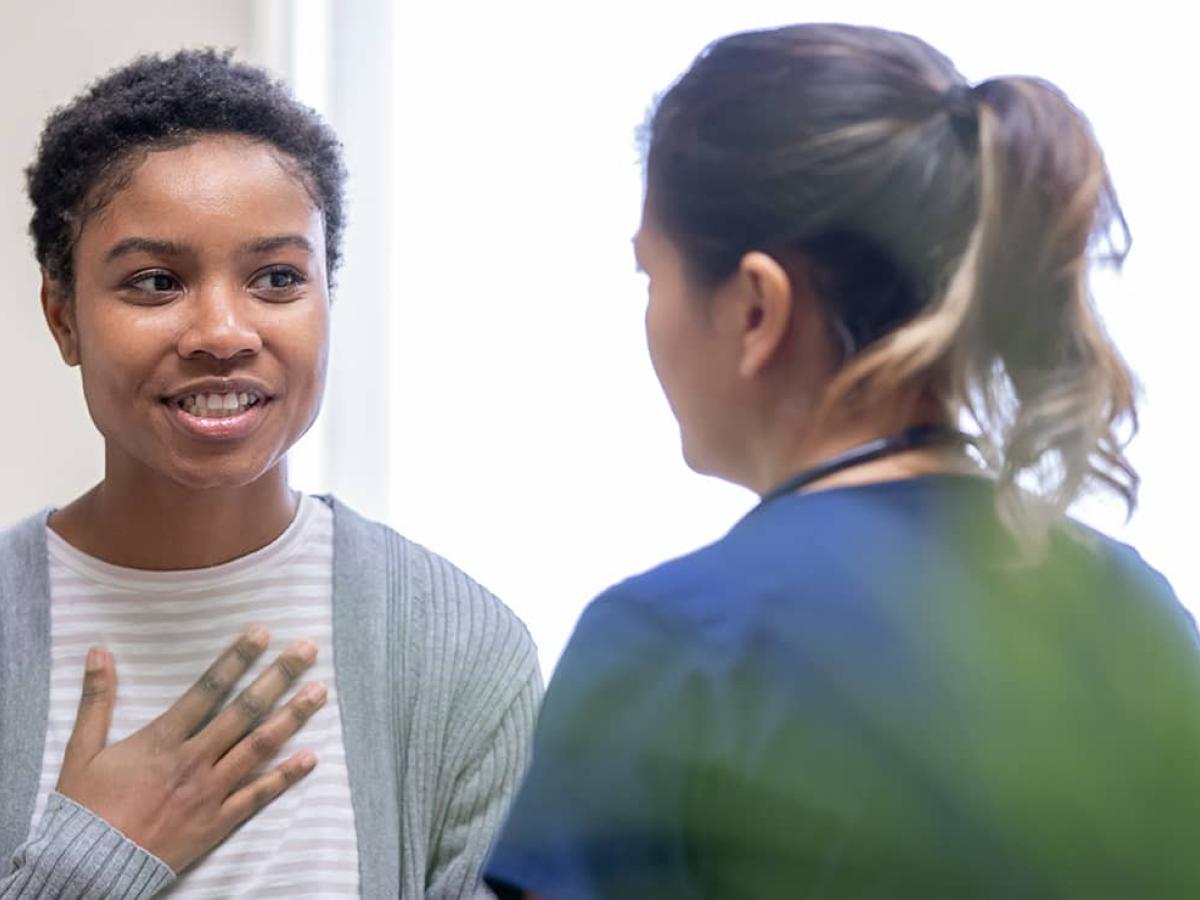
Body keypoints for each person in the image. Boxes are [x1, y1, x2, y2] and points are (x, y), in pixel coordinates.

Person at [484, 23, 1200, 899]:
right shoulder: (1135, 611)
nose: (649, 317)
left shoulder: (678, 646)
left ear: (756, 307)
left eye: (651, 276)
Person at [0, 49, 540, 898]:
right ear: (63, 317)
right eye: (155, 281)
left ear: (329, 297)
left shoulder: (459, 654)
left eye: (278, 278)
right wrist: (87, 864)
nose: (222, 330)